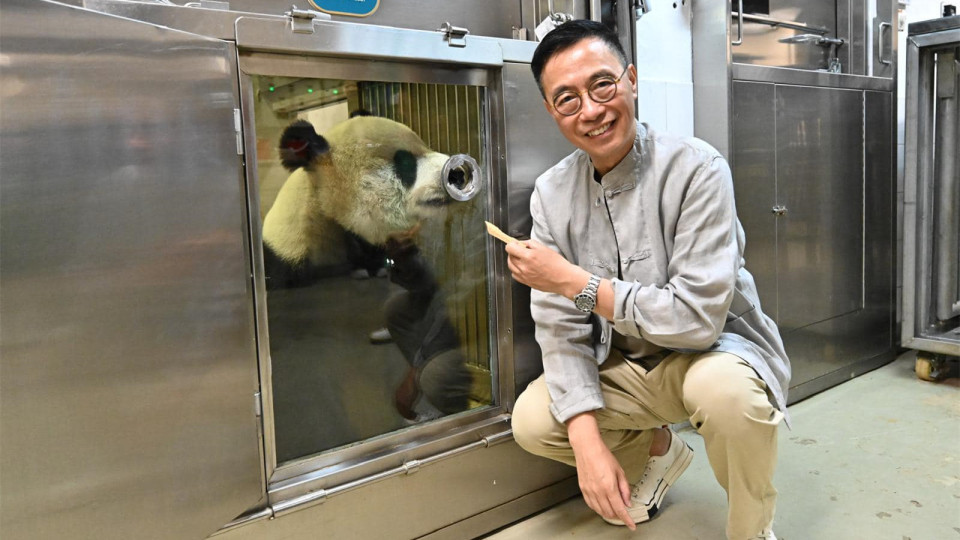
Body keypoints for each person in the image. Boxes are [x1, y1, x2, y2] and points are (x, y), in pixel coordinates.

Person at [504, 20, 790, 540]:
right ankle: (657, 449)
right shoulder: (550, 194)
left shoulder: (698, 168)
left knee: (727, 395)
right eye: (566, 99)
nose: (589, 110)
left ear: (631, 80)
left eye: (602, 85)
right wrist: (587, 445)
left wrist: (577, 283)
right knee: (534, 418)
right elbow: (559, 329)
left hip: (713, 355)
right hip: (627, 368)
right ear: (551, 111)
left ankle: (753, 529)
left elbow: (697, 320)